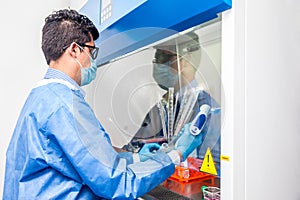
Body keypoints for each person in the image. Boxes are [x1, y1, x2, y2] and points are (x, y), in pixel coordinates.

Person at [3, 9, 204, 200]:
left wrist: (135, 159)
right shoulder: (64, 105)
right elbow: (117, 183)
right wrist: (175, 155)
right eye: (92, 51)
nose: (93, 60)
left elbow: (87, 161)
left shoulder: (43, 96)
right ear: (75, 49)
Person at [126, 32, 221, 168]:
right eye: (156, 59)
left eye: (164, 58)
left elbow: (214, 171)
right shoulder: (161, 108)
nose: (158, 65)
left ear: (187, 59)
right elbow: (135, 146)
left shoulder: (207, 109)